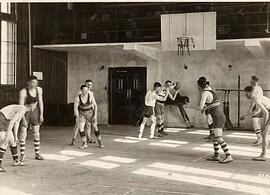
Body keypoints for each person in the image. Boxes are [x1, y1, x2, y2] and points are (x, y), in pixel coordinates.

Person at [197, 77, 233, 163]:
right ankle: (216, 155)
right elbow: (210, 105)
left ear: (199, 86)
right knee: (214, 136)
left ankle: (228, 156)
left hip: (217, 117)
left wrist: (197, 108)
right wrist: (205, 108)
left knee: (218, 137)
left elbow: (201, 107)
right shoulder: (211, 90)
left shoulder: (205, 93)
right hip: (218, 115)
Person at [19, 76, 44, 162]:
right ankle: (22, 154)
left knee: (36, 132)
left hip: (35, 111)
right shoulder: (23, 92)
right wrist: (23, 119)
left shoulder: (39, 90)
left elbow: (40, 102)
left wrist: (41, 115)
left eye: (35, 82)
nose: (34, 84)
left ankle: (37, 154)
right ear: (28, 82)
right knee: (23, 133)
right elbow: (20, 107)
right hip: (25, 112)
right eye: (32, 82)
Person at [242, 86, 270, 161]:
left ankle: (263, 155)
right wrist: (246, 116)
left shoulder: (256, 99)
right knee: (265, 135)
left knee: (264, 135)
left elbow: (266, 113)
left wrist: (264, 125)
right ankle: (263, 155)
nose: (246, 96)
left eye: (246, 94)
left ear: (249, 93)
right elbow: (257, 111)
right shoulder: (256, 98)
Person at [0, 104, 31, 172]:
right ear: (32, 104)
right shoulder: (22, 109)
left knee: (13, 141)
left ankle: (16, 160)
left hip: (6, 120)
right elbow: (12, 122)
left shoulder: (23, 110)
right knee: (5, 141)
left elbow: (16, 122)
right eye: (36, 105)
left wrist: (15, 136)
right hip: (1, 118)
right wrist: (7, 134)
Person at [74, 85, 103, 149]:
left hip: (90, 113)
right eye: (84, 90)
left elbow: (95, 105)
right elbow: (75, 108)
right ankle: (84, 143)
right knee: (81, 128)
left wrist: (95, 115)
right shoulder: (78, 98)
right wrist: (77, 116)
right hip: (82, 113)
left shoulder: (90, 96)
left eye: (87, 90)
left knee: (95, 127)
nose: (86, 92)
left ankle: (100, 142)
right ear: (81, 91)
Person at [71, 79, 95, 145]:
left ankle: (89, 139)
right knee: (78, 126)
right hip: (81, 112)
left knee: (88, 125)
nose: (89, 86)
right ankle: (73, 139)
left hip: (89, 112)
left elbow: (92, 103)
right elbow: (76, 104)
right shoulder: (80, 93)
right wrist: (76, 114)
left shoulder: (91, 93)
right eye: (88, 84)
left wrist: (92, 111)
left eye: (90, 85)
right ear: (85, 84)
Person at [240, 76, 263, 146]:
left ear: (255, 81)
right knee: (256, 123)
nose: (250, 83)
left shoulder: (257, 89)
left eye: (252, 81)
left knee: (255, 123)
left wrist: (249, 112)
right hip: (258, 105)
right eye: (250, 81)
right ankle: (260, 138)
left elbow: (254, 100)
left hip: (258, 106)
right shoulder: (255, 88)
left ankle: (260, 138)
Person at [199, 77, 214, 141]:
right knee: (209, 120)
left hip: (211, 106)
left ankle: (213, 135)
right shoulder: (207, 88)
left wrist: (201, 108)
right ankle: (211, 134)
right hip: (208, 106)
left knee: (209, 120)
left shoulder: (206, 91)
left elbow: (202, 103)